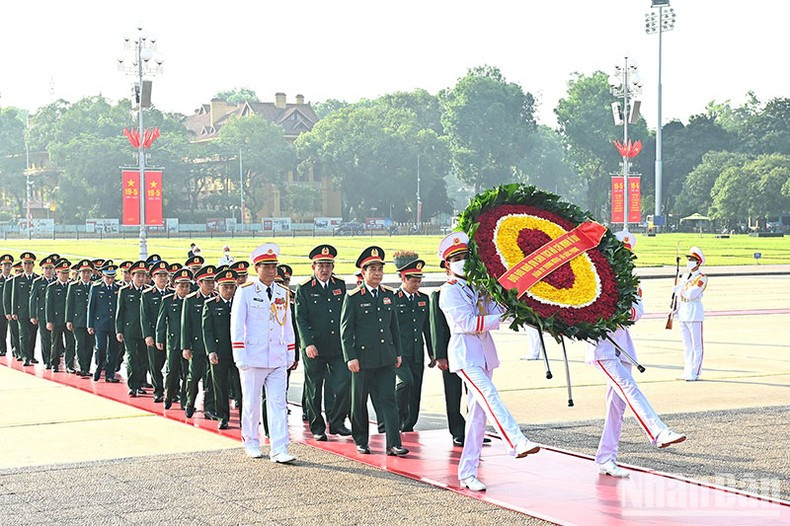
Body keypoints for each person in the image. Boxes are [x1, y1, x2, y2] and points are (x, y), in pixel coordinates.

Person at [437, 232, 540, 492]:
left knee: (477, 417)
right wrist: (498, 316)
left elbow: (497, 312)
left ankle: (467, 473)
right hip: (465, 356)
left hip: (485, 355)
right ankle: (516, 440)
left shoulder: (480, 287)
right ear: (446, 264)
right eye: (456, 258)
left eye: (465, 257)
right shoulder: (448, 292)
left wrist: (511, 300)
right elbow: (468, 324)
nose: (462, 261)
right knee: (490, 396)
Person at [588, 231, 686, 478]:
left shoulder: (631, 282)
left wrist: (621, 313)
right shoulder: (598, 277)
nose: (624, 258)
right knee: (629, 388)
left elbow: (637, 311)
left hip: (622, 348)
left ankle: (607, 457)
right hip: (602, 347)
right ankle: (658, 431)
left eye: (628, 254)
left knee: (616, 406)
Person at [230, 243, 297, 463]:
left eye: (273, 266)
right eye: (266, 266)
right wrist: (239, 354)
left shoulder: (282, 292)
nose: (271, 271)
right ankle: (250, 441)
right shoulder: (246, 291)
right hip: (253, 356)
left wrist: (290, 352)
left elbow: (287, 325)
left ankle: (279, 448)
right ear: (256, 268)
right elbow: (237, 325)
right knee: (251, 402)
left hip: (276, 356)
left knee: (278, 403)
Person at [340, 246, 408, 457]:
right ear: (363, 272)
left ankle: (393, 443)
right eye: (373, 269)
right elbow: (345, 331)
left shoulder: (388, 295)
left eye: (380, 269)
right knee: (359, 401)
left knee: (389, 400)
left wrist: (397, 353)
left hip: (385, 357)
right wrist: (350, 357)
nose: (377, 273)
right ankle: (361, 440)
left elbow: (393, 327)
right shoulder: (353, 297)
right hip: (363, 359)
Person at [295, 245, 351, 441]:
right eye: (321, 265)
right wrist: (307, 343)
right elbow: (300, 319)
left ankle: (336, 422)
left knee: (343, 383)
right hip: (314, 347)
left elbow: (345, 316)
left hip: (336, 346)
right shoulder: (304, 289)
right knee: (314, 388)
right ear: (313, 267)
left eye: (328, 265)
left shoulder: (340, 285)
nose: (325, 269)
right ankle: (317, 426)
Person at [390, 258, 433, 432]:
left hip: (417, 353)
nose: (417, 284)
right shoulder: (393, 298)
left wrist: (432, 352)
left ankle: (409, 424)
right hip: (400, 352)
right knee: (405, 383)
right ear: (403, 278)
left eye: (419, 280)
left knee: (415, 388)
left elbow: (427, 328)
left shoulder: (423, 299)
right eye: (413, 280)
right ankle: (397, 418)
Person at [203, 269, 241, 430]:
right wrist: (211, 351)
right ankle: (223, 417)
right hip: (219, 352)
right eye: (225, 287)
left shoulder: (240, 304)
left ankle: (244, 418)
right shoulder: (211, 305)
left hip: (238, 351)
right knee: (220, 387)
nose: (229, 290)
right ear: (218, 287)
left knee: (240, 386)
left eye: (231, 287)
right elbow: (207, 330)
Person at [182, 265, 217, 419]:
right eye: (207, 282)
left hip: (212, 346)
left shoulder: (216, 299)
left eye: (212, 282)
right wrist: (186, 346)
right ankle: (190, 403)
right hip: (196, 346)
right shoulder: (191, 300)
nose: (211, 285)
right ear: (199, 283)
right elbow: (186, 325)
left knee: (211, 379)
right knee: (194, 377)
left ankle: (209, 407)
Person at [156, 268, 193, 409]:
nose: (184, 289)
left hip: (188, 343)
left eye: (187, 286)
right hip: (173, 342)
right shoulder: (167, 300)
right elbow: (161, 321)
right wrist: (159, 339)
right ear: (174, 286)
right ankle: (169, 396)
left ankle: (185, 400)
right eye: (181, 286)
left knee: (187, 374)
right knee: (172, 371)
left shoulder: (191, 300)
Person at [141, 261, 172, 402]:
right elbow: (144, 317)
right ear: (153, 277)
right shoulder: (147, 295)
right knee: (155, 366)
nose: (163, 278)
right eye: (160, 276)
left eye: (165, 275)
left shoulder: (173, 294)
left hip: (170, 336)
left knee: (172, 367)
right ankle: (158, 391)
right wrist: (147, 335)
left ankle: (173, 390)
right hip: (153, 335)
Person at [116, 261, 149, 396]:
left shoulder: (148, 291)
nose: (141, 279)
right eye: (138, 276)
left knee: (143, 358)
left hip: (144, 331)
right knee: (132, 357)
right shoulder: (124, 291)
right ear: (132, 276)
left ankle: (141, 382)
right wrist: (119, 330)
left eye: (143, 276)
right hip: (129, 330)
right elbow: (120, 312)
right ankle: (133, 385)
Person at [675, 247, 707, 381]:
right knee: (687, 345)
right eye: (688, 260)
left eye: (692, 260)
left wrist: (680, 291)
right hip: (683, 312)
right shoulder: (684, 276)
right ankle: (687, 370)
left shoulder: (701, 278)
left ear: (698, 262)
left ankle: (695, 372)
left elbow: (691, 294)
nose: (689, 262)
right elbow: (680, 295)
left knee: (696, 345)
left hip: (694, 312)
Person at [87, 264, 122, 382]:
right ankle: (99, 366)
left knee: (113, 350)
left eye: (112, 277)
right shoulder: (96, 287)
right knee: (101, 347)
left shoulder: (118, 288)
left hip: (113, 324)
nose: (110, 280)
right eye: (108, 277)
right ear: (103, 276)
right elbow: (91, 307)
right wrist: (90, 324)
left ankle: (110, 374)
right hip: (100, 323)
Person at [9, 252, 39, 366]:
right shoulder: (17, 279)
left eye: (30, 263)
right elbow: (14, 296)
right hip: (22, 312)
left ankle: (31, 355)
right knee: (23, 335)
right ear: (22, 265)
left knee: (32, 334)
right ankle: (25, 356)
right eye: (25, 263)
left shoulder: (37, 278)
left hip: (34, 312)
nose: (27, 266)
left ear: (33, 264)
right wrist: (13, 311)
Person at [46, 259, 74, 374]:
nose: (65, 275)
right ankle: (55, 364)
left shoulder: (72, 286)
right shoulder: (52, 287)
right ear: (57, 273)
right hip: (57, 319)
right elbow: (49, 305)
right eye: (63, 273)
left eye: (67, 272)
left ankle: (69, 365)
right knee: (56, 343)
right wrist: (49, 321)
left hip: (69, 319)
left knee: (70, 343)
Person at [29, 255, 57, 368]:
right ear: (42, 270)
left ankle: (54, 359)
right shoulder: (37, 282)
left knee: (55, 339)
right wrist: (33, 315)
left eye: (50, 268)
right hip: (42, 314)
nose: (48, 271)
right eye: (46, 268)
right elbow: (33, 299)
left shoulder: (57, 281)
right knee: (45, 339)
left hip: (55, 314)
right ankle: (47, 361)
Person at [0, 254, 14, 357]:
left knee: (14, 332)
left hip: (12, 309)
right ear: (1, 266)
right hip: (0, 309)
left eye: (9, 265)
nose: (7, 267)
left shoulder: (14, 280)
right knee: (1, 330)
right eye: (5, 265)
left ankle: (15, 350)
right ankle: (2, 348)